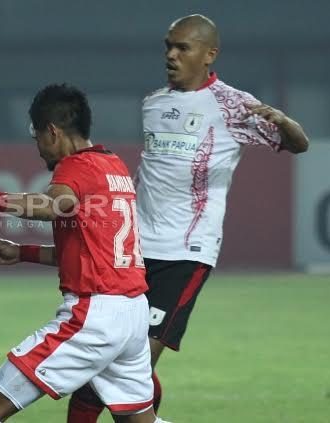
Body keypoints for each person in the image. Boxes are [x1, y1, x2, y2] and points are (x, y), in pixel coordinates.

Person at [67, 14, 310, 420]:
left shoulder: (234, 106)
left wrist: (285, 123)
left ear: (209, 54)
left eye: (182, 47)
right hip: (135, 250)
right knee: (113, 365)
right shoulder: (154, 102)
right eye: (168, 46)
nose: (171, 55)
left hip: (185, 253)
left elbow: (298, 145)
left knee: (127, 368)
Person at [0, 84, 166, 423]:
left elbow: (53, 206)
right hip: (133, 312)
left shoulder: (75, 166)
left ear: (51, 131)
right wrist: (23, 253)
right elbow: (89, 251)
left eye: (36, 139)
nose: (37, 150)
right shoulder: (113, 165)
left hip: (96, 314)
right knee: (139, 421)